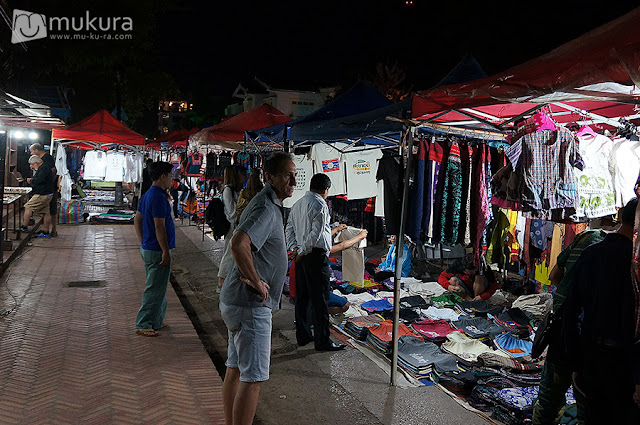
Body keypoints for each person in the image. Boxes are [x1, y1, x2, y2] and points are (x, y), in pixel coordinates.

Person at [219, 151, 296, 425]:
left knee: (236, 370)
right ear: (270, 177)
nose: (293, 180)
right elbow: (238, 244)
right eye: (287, 175)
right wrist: (255, 280)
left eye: (295, 174)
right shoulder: (265, 206)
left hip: (237, 303)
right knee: (253, 379)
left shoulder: (268, 205)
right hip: (250, 306)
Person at [562, 198, 640, 424]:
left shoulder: (592, 253)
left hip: (592, 357)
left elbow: (571, 309)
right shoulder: (634, 264)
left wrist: (575, 362)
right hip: (623, 365)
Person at [531, 227, 607, 424]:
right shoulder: (626, 252)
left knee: (550, 396)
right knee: (586, 401)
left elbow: (554, 275)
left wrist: (568, 293)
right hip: (592, 337)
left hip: (564, 328)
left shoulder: (587, 236)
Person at [286, 173, 363, 351]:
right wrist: (302, 250)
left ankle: (303, 336)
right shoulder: (319, 204)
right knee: (320, 300)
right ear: (325, 189)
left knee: (303, 298)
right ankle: (322, 341)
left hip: (301, 256)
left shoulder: (298, 204)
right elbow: (316, 234)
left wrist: (295, 249)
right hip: (314, 257)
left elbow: (289, 228)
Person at [133, 161, 175, 337]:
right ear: (163, 176)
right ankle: (144, 322)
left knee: (159, 286)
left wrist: (143, 241)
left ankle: (156, 320)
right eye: (171, 176)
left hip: (149, 247)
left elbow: (137, 219)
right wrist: (164, 250)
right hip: (156, 249)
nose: (172, 180)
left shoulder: (149, 194)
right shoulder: (157, 197)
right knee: (154, 288)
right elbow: (159, 226)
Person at [217, 164, 248, 287]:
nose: (245, 176)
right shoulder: (228, 190)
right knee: (229, 254)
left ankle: (227, 279)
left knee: (232, 253)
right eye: (243, 174)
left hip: (237, 226)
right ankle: (221, 280)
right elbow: (231, 213)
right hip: (232, 226)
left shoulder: (237, 190)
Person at [21, 155, 54, 238]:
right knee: (45, 212)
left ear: (36, 163)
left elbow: (40, 180)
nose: (31, 166)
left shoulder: (44, 168)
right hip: (47, 193)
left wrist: (31, 180)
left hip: (42, 194)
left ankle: (24, 227)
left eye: (31, 164)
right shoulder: (44, 167)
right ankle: (45, 232)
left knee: (28, 206)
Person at [29, 143, 58, 236]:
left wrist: (48, 184)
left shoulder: (47, 159)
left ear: (37, 150)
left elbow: (51, 172)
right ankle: (46, 230)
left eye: (32, 151)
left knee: (50, 210)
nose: (31, 153)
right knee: (46, 211)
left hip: (48, 189)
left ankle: (52, 230)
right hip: (47, 188)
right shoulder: (43, 160)